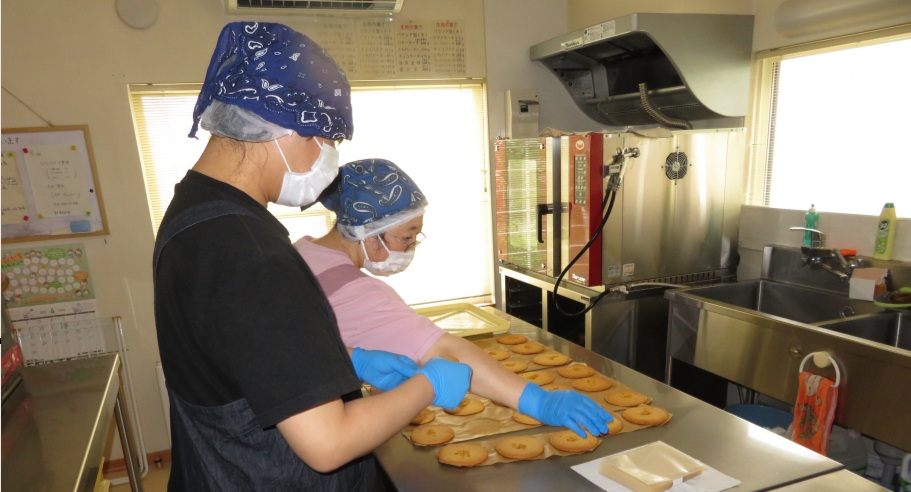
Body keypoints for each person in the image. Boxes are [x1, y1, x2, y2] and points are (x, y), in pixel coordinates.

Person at [153, 22, 472, 490]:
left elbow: (237, 356)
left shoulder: (193, 213)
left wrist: (349, 362)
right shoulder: (251, 252)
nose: (330, 158)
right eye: (328, 139)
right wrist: (427, 385)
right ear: (283, 127)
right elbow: (328, 444)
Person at [294, 158, 613, 438]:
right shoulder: (356, 292)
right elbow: (444, 350)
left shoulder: (304, 250)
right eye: (406, 237)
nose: (410, 247)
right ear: (369, 230)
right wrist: (538, 400)